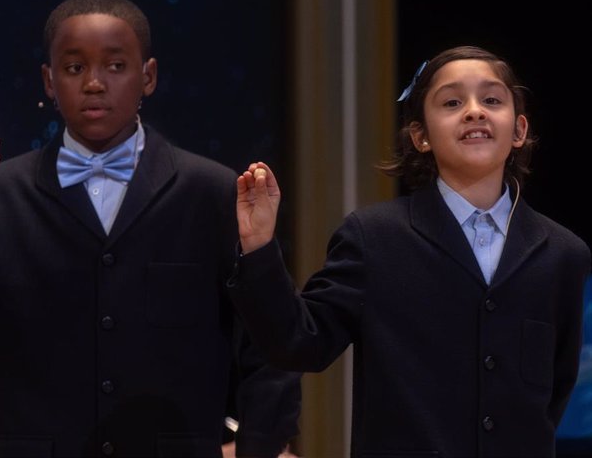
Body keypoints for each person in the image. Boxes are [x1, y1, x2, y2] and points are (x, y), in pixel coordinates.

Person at [0, 0, 300, 458]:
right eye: (74, 69)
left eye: (115, 67)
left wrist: (258, 448)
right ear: (49, 82)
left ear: (148, 77)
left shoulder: (211, 192)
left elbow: (268, 342)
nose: (94, 83)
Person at [230, 45, 591, 457]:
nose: (475, 111)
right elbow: (298, 342)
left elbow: (554, 390)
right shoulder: (375, 237)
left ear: (519, 129)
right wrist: (258, 247)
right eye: (452, 102)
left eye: (491, 100)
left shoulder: (564, 254)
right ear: (420, 136)